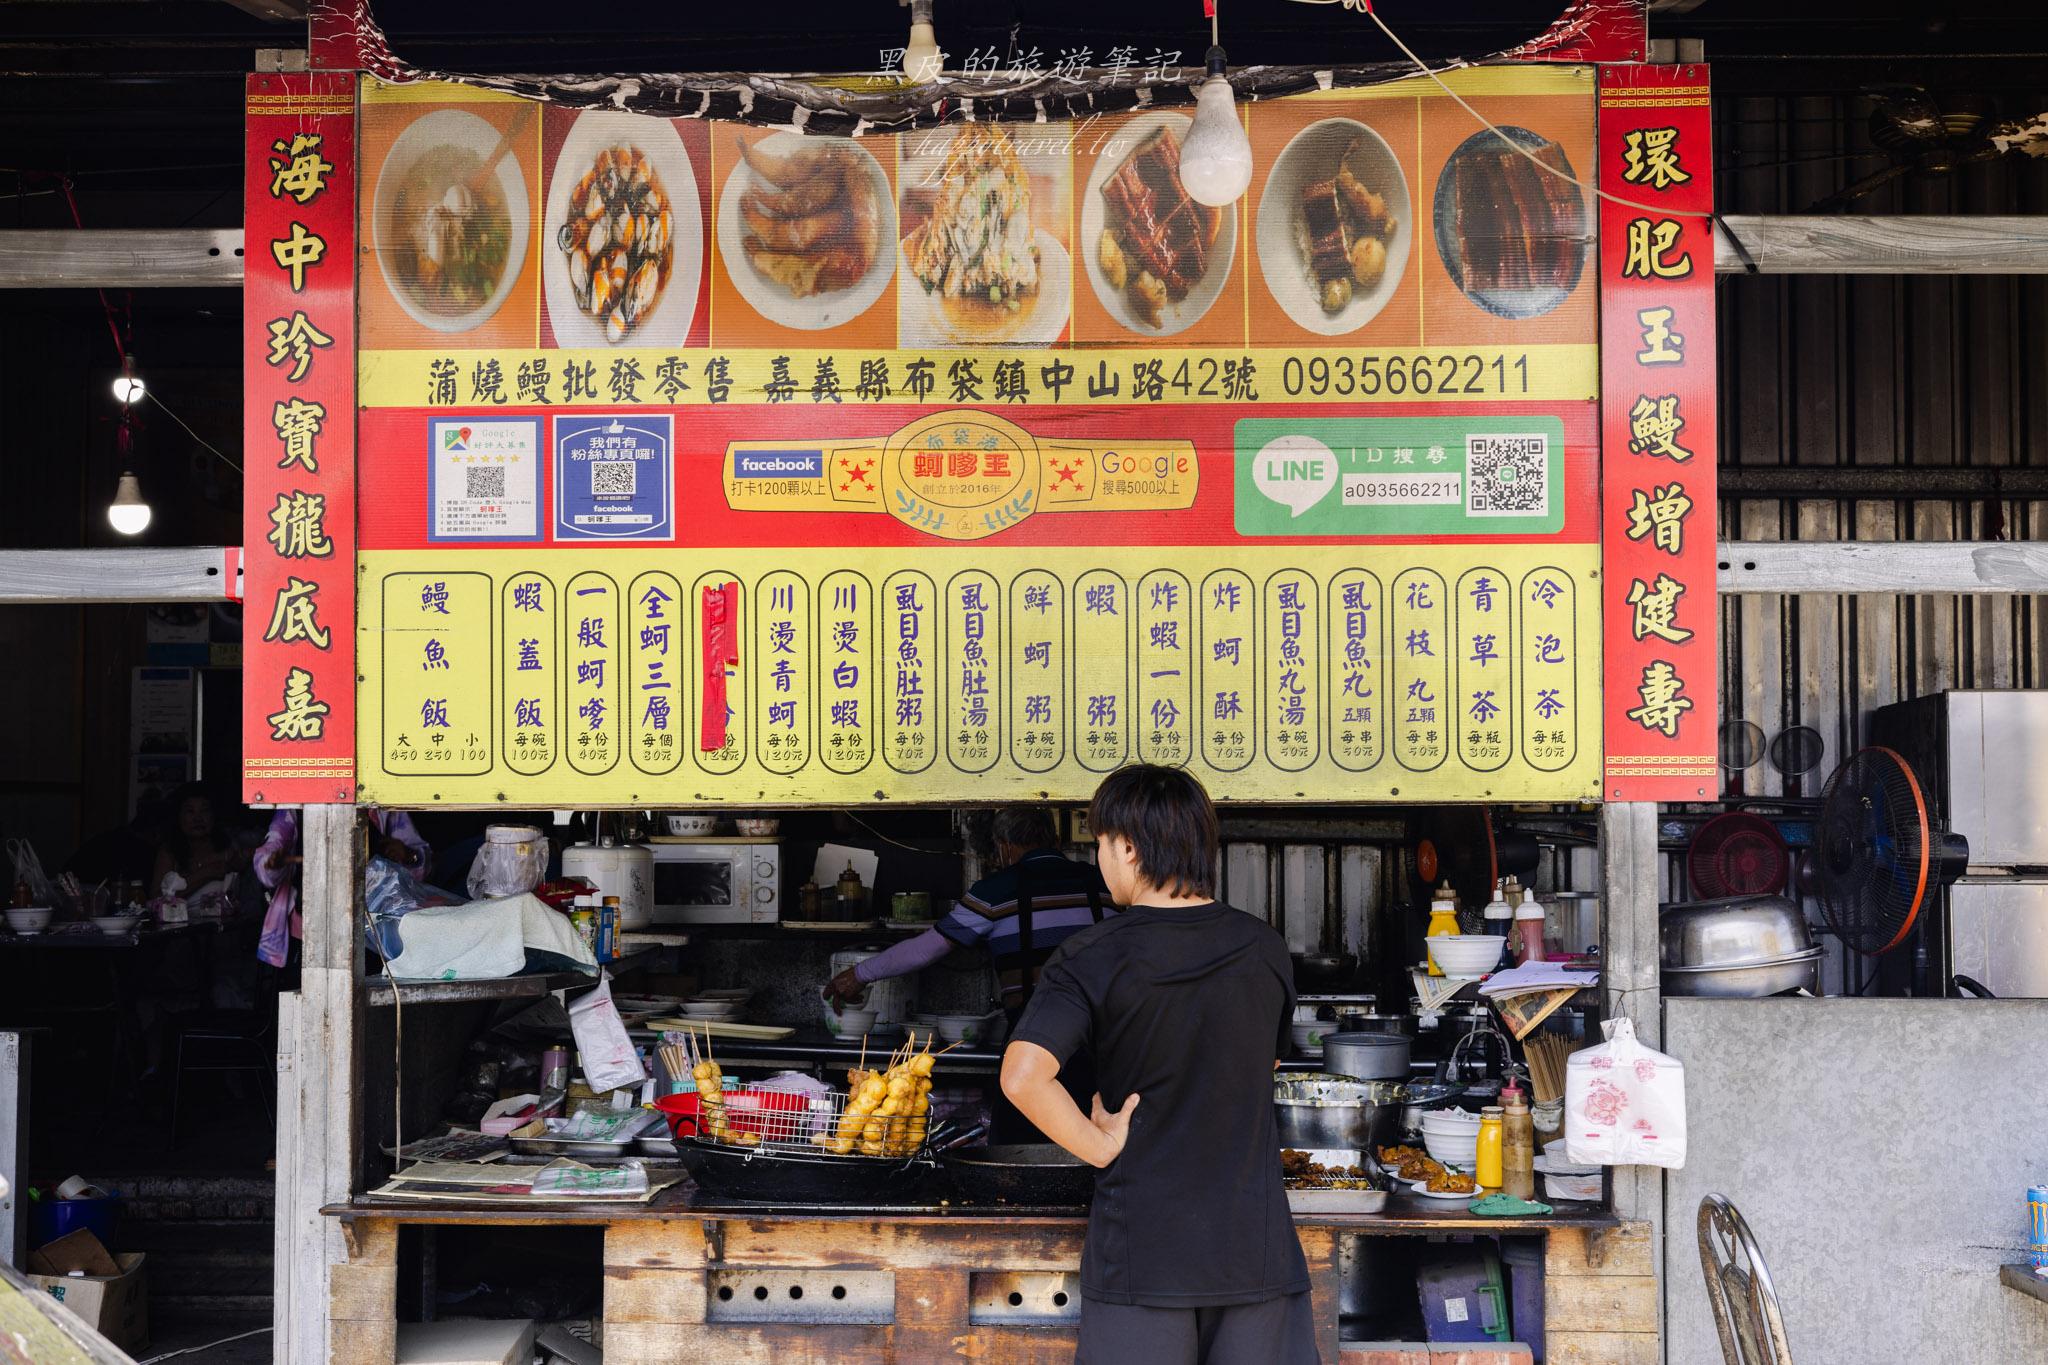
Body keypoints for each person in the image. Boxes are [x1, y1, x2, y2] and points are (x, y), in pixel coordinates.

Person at [999, 765, 1317, 1365]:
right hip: (1254, 1252)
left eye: (1099, 844)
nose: (1099, 859)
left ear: (1127, 847)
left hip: (1142, 1257)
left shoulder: (1093, 955)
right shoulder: (1264, 947)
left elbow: (1022, 1077)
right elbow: (1266, 1062)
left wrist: (1098, 1144)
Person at [823, 805, 1114, 1140]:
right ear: (1056, 839)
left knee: (1018, 1141)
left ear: (1004, 847)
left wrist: (859, 974)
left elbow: (927, 948)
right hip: (1101, 1037)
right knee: (1096, 1133)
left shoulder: (996, 891)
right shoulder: (1102, 883)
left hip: (1035, 1041)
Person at [253, 807, 430, 967]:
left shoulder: (383, 807)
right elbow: (268, 858)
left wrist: (408, 855)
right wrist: (272, 863)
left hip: (371, 929)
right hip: (310, 929)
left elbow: (421, 864)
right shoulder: (297, 805)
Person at [150, 785, 244, 894]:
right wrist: (205, 873)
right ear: (178, 816)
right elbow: (157, 898)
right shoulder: (169, 853)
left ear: (213, 815)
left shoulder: (227, 850)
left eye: (204, 811)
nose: (198, 819)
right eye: (190, 811)